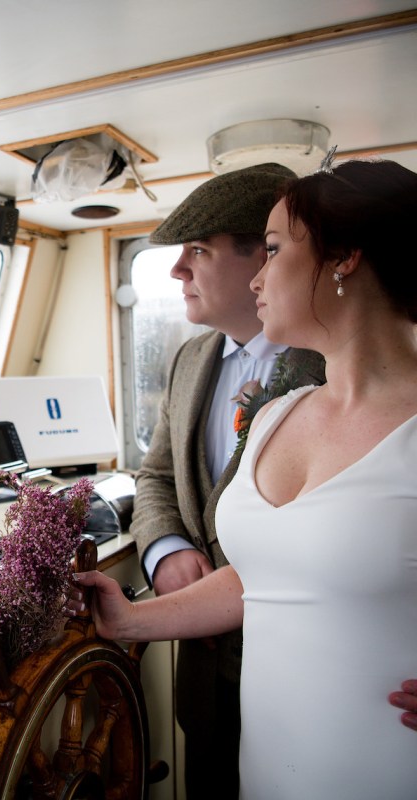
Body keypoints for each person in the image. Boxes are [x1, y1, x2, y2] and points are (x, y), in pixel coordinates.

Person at [69, 158, 417, 799]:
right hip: (270, 755)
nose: (260, 274)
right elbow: (267, 572)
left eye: (276, 248)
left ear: (343, 257)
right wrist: (128, 620)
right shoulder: (278, 416)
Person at [129, 162, 324, 798]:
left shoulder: (333, 365)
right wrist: (166, 549)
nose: (177, 271)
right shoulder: (191, 359)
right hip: (205, 679)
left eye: (198, 251)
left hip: (305, 677)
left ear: (258, 261)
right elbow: (156, 474)